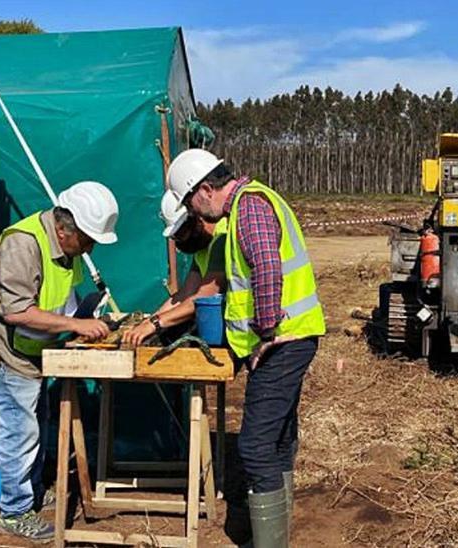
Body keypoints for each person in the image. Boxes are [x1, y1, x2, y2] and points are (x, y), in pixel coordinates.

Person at [170, 148, 325, 548]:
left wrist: (266, 331)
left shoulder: (249, 207)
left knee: (255, 446)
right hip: (291, 338)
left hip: (282, 342)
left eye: (191, 203)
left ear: (205, 189)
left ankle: (271, 541)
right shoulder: (248, 204)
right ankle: (277, 531)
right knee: (278, 438)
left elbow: (267, 270)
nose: (196, 214)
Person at [0, 181, 119, 541]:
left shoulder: (66, 249)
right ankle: (15, 510)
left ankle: (31, 489)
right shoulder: (23, 243)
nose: (90, 248)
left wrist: (81, 320)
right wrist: (76, 324)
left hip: (36, 351)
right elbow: (17, 311)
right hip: (6, 351)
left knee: (38, 421)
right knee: (20, 432)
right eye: (87, 240)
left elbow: (59, 298)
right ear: (64, 229)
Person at [124, 192, 230, 346]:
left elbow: (201, 298)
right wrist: (148, 322)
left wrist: (155, 324)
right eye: (177, 236)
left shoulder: (222, 237)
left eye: (182, 232)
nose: (182, 240)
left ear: (197, 218)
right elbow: (185, 294)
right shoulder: (202, 248)